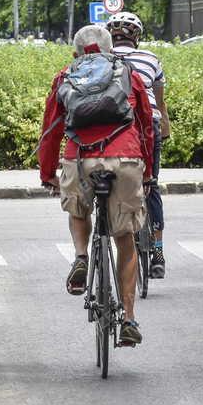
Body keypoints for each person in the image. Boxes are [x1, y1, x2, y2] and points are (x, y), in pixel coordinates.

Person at [38, 25, 155, 346]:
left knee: (78, 209)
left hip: (80, 158)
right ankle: (129, 317)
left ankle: (80, 256)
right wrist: (146, 174)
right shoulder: (128, 74)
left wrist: (48, 173)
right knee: (126, 239)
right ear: (111, 49)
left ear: (76, 54)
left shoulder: (65, 76)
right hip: (125, 158)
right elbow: (146, 125)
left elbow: (51, 130)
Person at [106, 11, 171, 277]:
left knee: (112, 183)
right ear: (137, 37)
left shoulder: (104, 59)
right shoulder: (151, 59)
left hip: (115, 128)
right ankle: (157, 252)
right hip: (148, 127)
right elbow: (159, 102)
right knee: (151, 185)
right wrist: (164, 130)